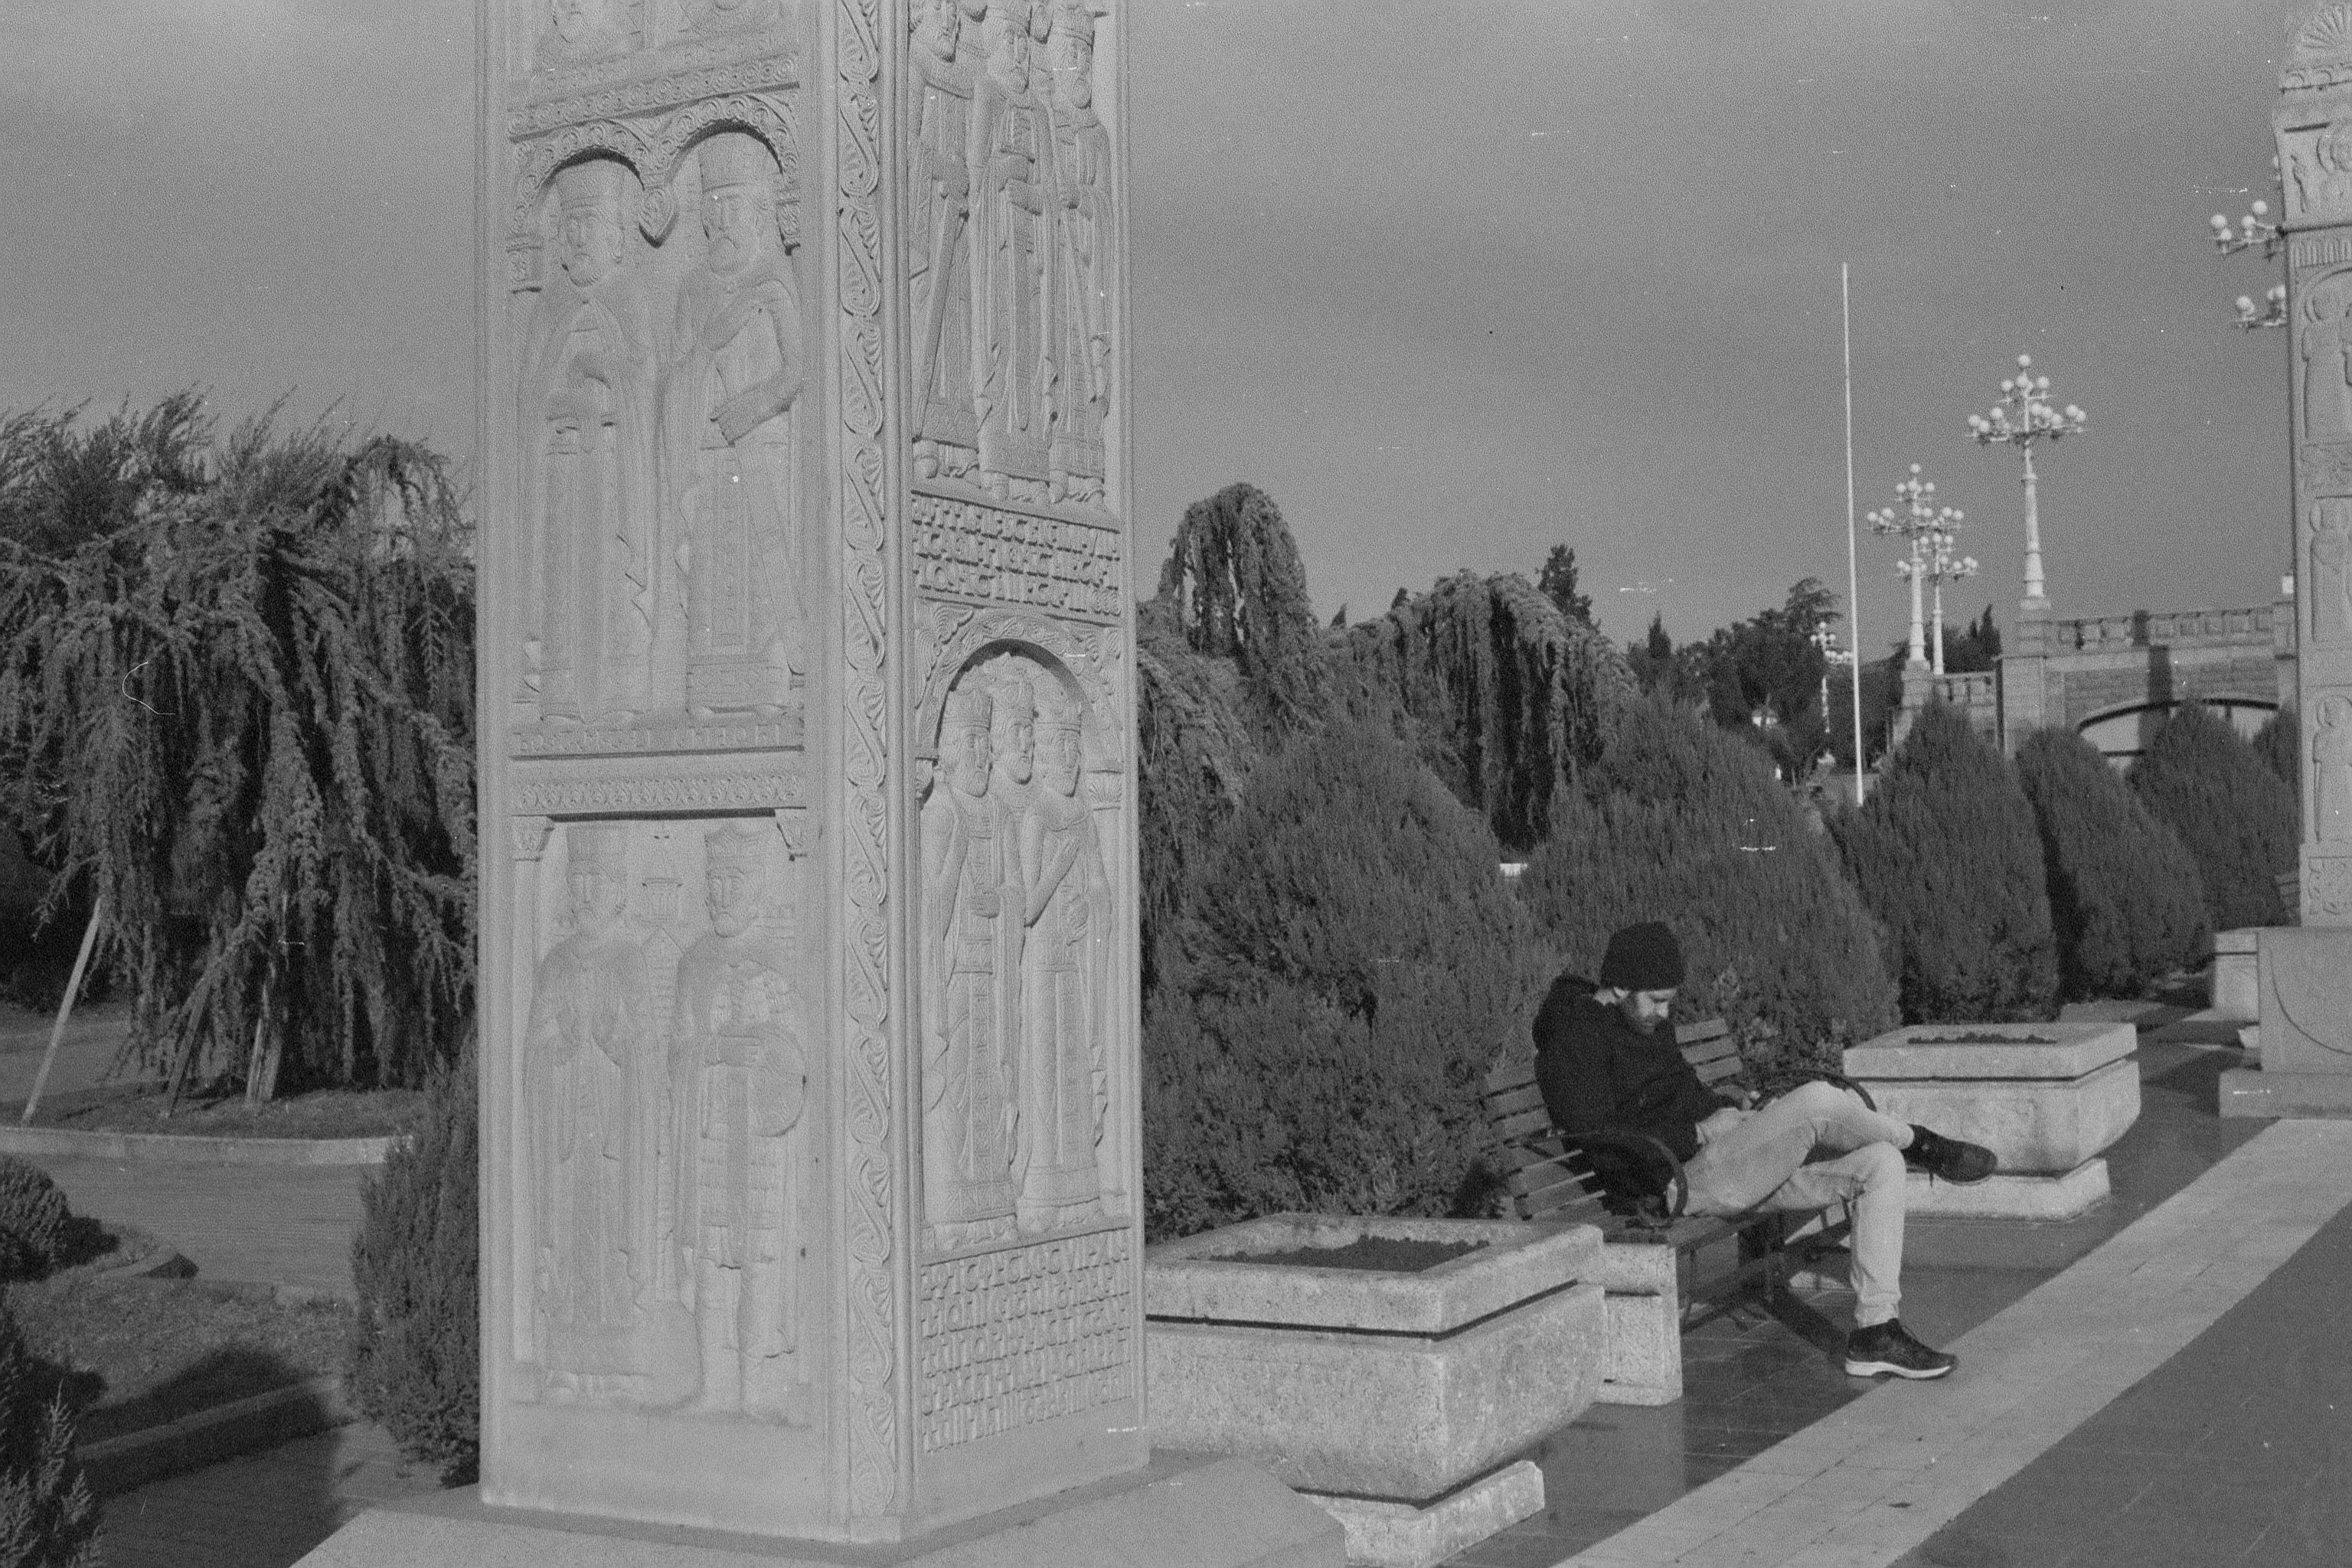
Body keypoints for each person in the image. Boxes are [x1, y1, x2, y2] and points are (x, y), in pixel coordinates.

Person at [1532, 921, 1996, 1381]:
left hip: (1719, 1164)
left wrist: (1733, 1110)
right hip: (1669, 1181)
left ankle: (1875, 1331)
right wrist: (1696, 1133)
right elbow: (1605, 1141)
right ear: (1619, 986)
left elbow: (1684, 1090)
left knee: (1880, 1163)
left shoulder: (1646, 1026)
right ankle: (1921, 1142)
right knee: (1816, 1100)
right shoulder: (1572, 1044)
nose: (1665, 1014)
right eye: (1657, 1001)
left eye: (1669, 1001)